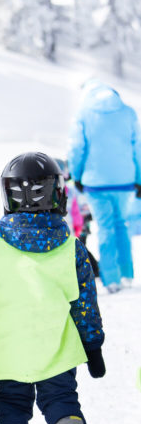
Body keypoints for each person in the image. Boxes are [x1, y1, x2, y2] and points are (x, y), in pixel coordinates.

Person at [0, 152, 105, 424]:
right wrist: (93, 346)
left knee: (11, 403)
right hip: (56, 347)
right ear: (57, 193)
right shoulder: (71, 247)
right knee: (61, 400)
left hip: (6, 348)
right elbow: (84, 304)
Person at [68, 80, 141, 292]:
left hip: (95, 181)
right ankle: (127, 273)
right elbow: (138, 147)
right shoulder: (128, 112)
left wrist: (77, 176)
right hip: (125, 180)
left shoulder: (83, 113)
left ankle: (111, 279)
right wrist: (139, 178)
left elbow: (76, 148)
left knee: (105, 227)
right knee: (121, 225)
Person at [55, 158, 100, 277]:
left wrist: (81, 225)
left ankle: (93, 270)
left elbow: (78, 210)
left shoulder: (71, 190)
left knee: (80, 251)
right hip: (68, 229)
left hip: (75, 229)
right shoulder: (67, 191)